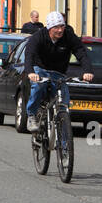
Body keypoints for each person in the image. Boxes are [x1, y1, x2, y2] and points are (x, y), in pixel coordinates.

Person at [23, 12, 92, 142]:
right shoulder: (38, 37)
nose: (60, 30)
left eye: (62, 26)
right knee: (39, 86)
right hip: (40, 69)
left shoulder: (68, 36)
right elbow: (29, 54)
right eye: (56, 27)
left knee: (64, 103)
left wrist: (87, 71)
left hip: (59, 72)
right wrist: (31, 72)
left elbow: (81, 52)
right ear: (49, 28)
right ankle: (32, 114)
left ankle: (64, 143)